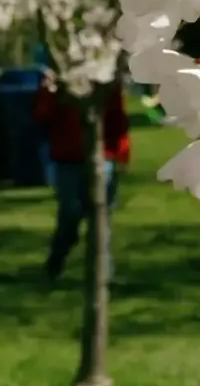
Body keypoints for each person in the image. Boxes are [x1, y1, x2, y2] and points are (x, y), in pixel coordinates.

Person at [35, 81, 130, 280]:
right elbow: (43, 116)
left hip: (102, 156)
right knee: (70, 212)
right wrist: (54, 94)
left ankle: (103, 274)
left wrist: (122, 152)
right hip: (68, 157)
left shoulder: (106, 83)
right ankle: (57, 259)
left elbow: (117, 120)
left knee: (101, 216)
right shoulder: (59, 82)